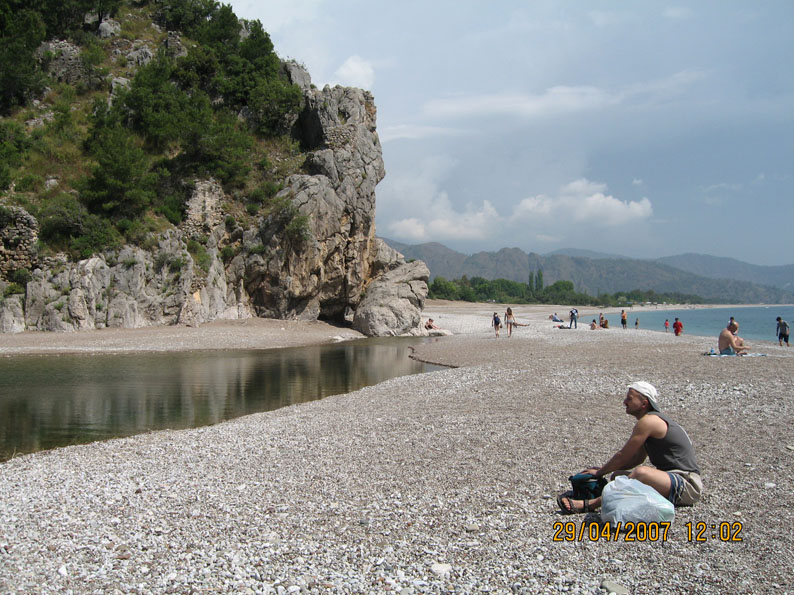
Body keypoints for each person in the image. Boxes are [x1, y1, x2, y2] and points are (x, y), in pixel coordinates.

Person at [557, 382, 702, 514]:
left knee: (641, 473)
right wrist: (605, 470)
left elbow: (623, 455)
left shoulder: (649, 422)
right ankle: (610, 497)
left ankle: (591, 504)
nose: (625, 402)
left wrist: (599, 472)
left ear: (644, 403)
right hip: (671, 480)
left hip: (687, 484)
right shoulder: (652, 421)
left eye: (629, 399)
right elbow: (636, 459)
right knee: (618, 476)